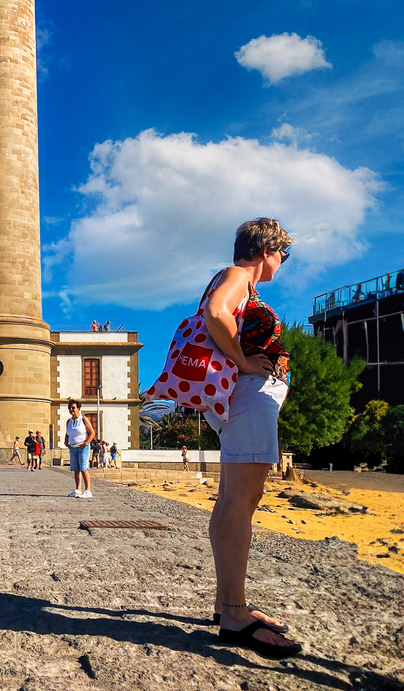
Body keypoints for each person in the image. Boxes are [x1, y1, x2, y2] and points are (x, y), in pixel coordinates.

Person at [202, 218, 302, 660]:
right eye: (283, 254)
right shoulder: (238, 276)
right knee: (241, 501)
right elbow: (216, 314)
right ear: (268, 250)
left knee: (232, 499)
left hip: (240, 400)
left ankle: (228, 605)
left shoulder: (236, 280)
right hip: (246, 397)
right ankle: (236, 614)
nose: (282, 263)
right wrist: (244, 362)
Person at [64, 399, 94, 498]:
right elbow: (68, 433)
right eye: (70, 408)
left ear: (78, 409)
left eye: (73, 408)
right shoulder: (68, 421)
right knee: (76, 469)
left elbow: (92, 433)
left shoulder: (83, 419)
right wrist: (66, 441)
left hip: (82, 448)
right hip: (73, 448)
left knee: (84, 469)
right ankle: (78, 490)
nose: (71, 410)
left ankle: (88, 491)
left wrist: (86, 443)